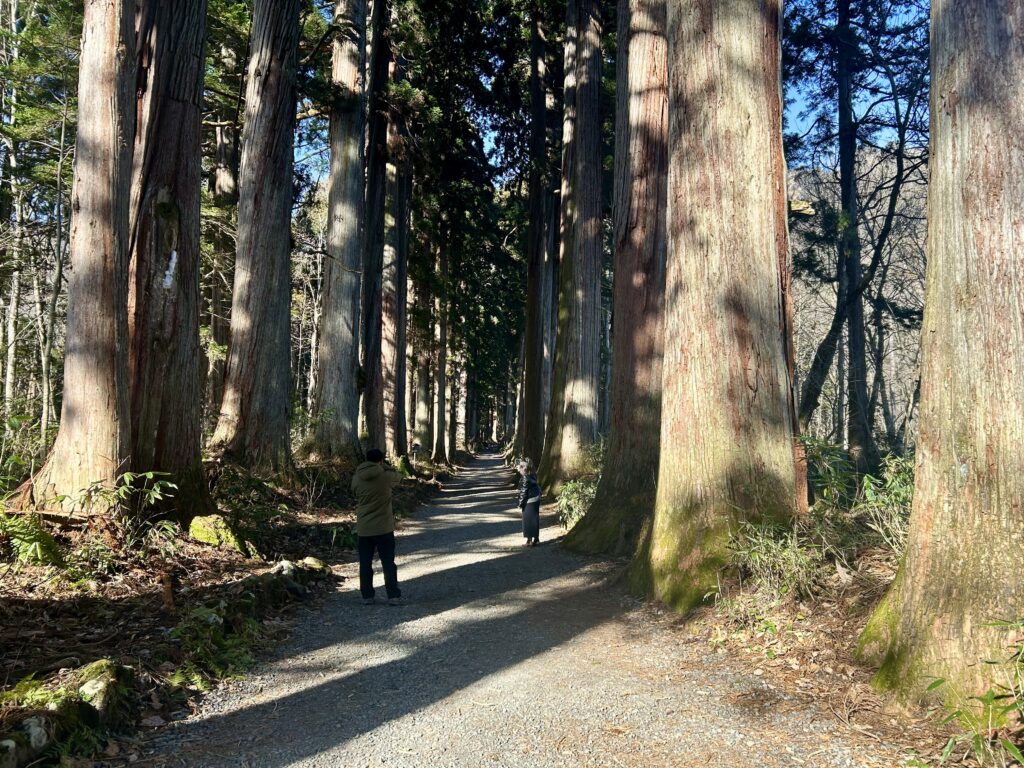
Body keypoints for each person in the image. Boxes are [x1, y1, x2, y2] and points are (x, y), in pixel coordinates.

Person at [351, 448, 404, 605]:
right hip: (383, 527)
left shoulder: (357, 477)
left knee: (365, 563)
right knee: (388, 563)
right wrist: (387, 468)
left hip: (364, 527)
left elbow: (354, 492)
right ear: (381, 460)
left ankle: (367, 596)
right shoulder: (386, 476)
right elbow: (400, 478)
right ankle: (393, 595)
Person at [516, 459, 542, 547]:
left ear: (523, 468)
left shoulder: (525, 477)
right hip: (536, 499)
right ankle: (536, 539)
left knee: (528, 521)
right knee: (535, 519)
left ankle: (530, 541)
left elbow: (524, 491)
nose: (517, 469)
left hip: (529, 500)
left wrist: (520, 503)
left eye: (519, 467)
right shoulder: (532, 474)